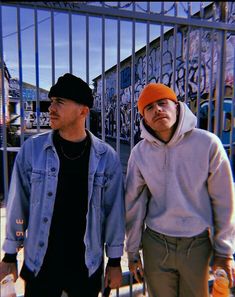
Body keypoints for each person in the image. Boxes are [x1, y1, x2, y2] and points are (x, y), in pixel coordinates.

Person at [0, 73, 125, 297]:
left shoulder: (106, 157)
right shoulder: (33, 151)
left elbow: (114, 212)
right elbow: (19, 205)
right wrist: (10, 254)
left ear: (83, 110)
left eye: (60, 102)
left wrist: (114, 261)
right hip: (41, 264)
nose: (51, 108)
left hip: (86, 266)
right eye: (52, 101)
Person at [125, 83, 235, 297]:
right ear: (144, 119)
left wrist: (225, 250)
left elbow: (224, 200)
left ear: (177, 107)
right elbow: (134, 204)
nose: (157, 109)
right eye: (149, 108)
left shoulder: (208, 144)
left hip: (197, 243)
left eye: (162, 103)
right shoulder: (140, 153)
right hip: (156, 244)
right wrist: (132, 252)